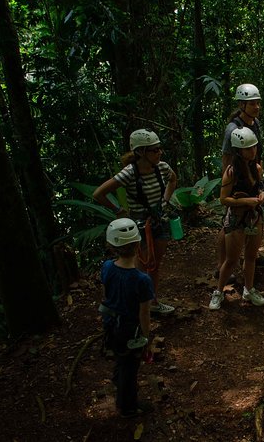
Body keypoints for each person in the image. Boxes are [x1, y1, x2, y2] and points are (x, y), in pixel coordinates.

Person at [94, 129, 177, 315]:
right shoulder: (128, 174)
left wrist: (165, 200)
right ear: (141, 152)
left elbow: (173, 180)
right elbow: (98, 193)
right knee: (141, 267)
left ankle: (152, 302)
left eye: (159, 149)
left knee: (155, 265)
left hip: (160, 222)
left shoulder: (162, 167)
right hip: (140, 227)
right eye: (154, 150)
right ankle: (137, 306)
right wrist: (118, 211)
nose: (159, 152)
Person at [99, 218, 154, 418]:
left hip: (111, 323)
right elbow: (144, 312)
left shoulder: (106, 267)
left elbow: (105, 294)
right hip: (130, 328)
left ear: (111, 245)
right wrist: (146, 338)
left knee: (120, 356)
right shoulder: (142, 280)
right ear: (138, 244)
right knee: (130, 367)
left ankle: (118, 379)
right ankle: (127, 406)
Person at [209, 127, 264, 310]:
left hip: (254, 217)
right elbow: (223, 199)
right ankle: (218, 291)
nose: (253, 151)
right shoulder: (231, 171)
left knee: (251, 257)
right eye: (248, 148)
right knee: (232, 260)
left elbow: (260, 188)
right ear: (239, 151)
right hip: (236, 219)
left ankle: (249, 290)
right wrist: (246, 201)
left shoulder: (256, 168)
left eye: (254, 147)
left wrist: (261, 194)